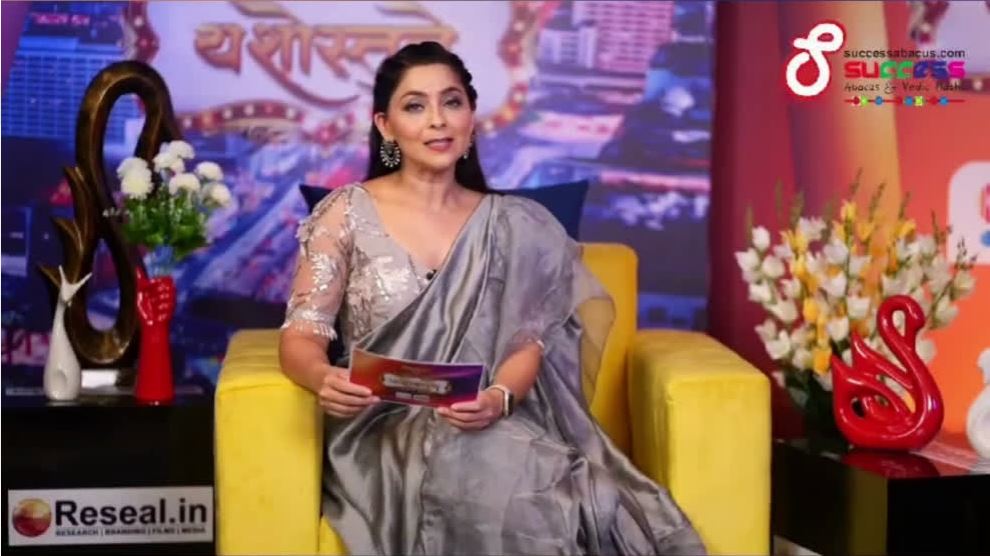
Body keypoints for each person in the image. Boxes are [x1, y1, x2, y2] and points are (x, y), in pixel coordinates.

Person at [279, 41, 705, 555]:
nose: (437, 120)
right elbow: (302, 336)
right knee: (509, 483)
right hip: (382, 426)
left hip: (484, 420)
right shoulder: (344, 213)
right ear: (386, 126)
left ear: (471, 118)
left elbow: (527, 344)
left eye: (451, 102)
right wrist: (322, 377)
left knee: (562, 487)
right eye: (415, 106)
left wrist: (499, 397)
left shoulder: (513, 224)